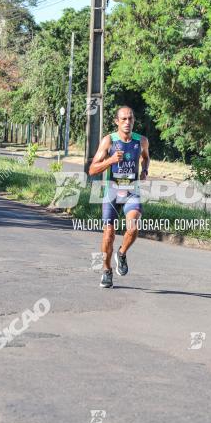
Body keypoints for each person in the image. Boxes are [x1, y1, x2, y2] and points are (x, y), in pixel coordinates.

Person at [87, 106, 150, 288]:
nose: (127, 122)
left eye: (130, 119)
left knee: (133, 226)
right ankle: (106, 270)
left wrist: (145, 169)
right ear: (116, 122)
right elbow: (92, 169)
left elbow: (145, 157)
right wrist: (111, 160)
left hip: (131, 191)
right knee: (108, 236)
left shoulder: (142, 141)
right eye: (123, 119)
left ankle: (121, 254)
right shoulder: (109, 141)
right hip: (112, 192)